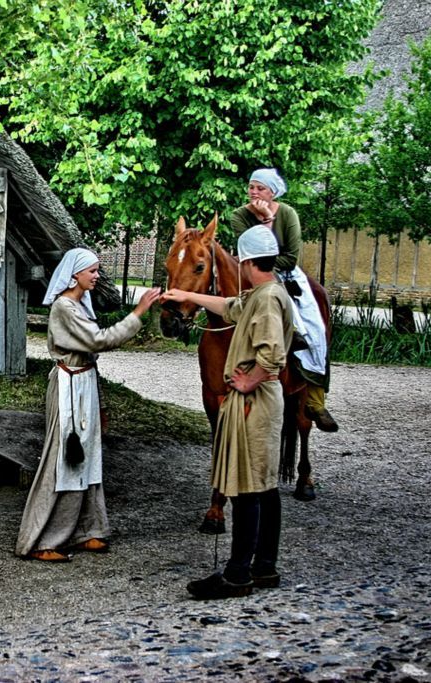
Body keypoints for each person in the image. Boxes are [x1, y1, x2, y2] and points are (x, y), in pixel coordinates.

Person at [162, 226, 292, 599]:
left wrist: (249, 381)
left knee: (248, 488)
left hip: (255, 402)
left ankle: (237, 575)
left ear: (248, 261)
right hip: (261, 399)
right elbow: (230, 307)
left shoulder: (267, 299)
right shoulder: (261, 294)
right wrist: (187, 294)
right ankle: (264, 566)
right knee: (265, 487)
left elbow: (272, 356)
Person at [15, 248, 160, 562]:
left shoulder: (80, 304)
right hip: (68, 387)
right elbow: (98, 341)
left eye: (97, 271)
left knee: (89, 459)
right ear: (75, 274)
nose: (96, 276)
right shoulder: (64, 307)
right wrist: (137, 314)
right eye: (92, 271)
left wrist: (101, 404)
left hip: (84, 384)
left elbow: (91, 358)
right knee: (64, 459)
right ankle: (42, 539)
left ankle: (87, 530)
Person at [230, 167, 338, 432]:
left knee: (314, 324)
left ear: (272, 192)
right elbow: (251, 250)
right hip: (250, 271)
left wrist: (268, 221)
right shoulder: (239, 215)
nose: (254, 192)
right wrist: (262, 228)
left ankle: (315, 398)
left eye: (261, 188)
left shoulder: (288, 214)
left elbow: (289, 257)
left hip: (286, 274)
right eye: (251, 187)